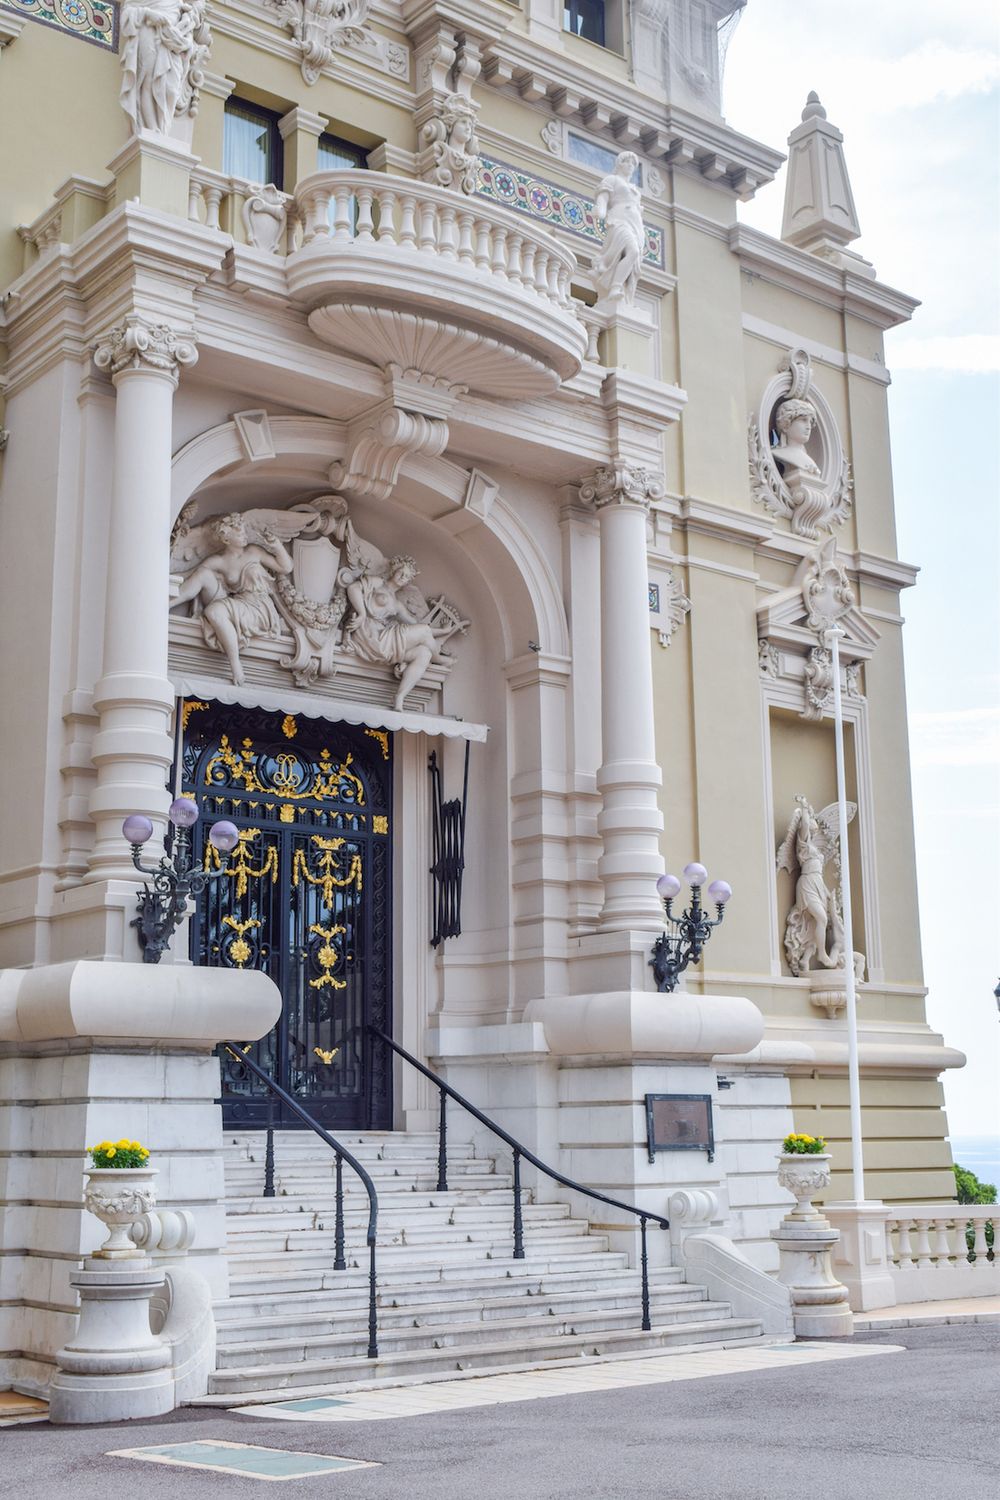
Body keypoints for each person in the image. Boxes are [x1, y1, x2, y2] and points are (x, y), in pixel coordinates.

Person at [171, 513, 293, 685]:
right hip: (239, 602)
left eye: (244, 531)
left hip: (259, 608)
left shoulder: (253, 551)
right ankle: (166, 605)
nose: (245, 535)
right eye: (239, 533)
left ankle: (235, 665)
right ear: (226, 539)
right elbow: (191, 576)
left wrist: (277, 545)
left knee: (214, 611)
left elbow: (285, 567)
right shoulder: (219, 561)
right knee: (203, 574)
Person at [344, 556, 458, 711]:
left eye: (406, 577)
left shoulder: (397, 605)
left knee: (424, 653)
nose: (403, 578)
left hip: (384, 640)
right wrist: (362, 613)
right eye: (401, 573)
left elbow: (417, 626)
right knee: (425, 635)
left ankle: (400, 696)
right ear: (394, 570)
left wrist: (443, 631)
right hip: (369, 633)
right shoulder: (378, 583)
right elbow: (353, 588)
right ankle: (438, 658)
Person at [592, 151, 644, 306]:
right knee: (632, 251)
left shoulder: (635, 189)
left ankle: (619, 286)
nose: (630, 165)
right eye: (627, 162)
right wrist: (600, 211)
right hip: (619, 220)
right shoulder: (612, 180)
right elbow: (603, 199)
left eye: (633, 164)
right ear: (619, 164)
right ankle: (614, 287)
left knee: (633, 255)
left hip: (636, 226)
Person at [771, 398, 821, 477]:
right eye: (803, 420)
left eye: (810, 422)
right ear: (786, 425)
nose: (809, 427)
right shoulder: (779, 453)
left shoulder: (810, 461)